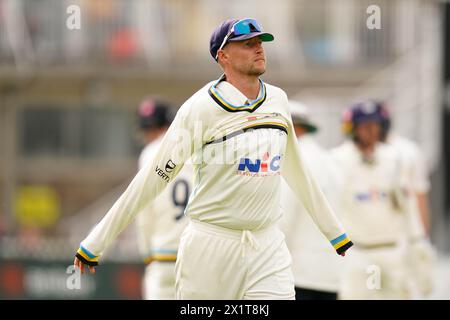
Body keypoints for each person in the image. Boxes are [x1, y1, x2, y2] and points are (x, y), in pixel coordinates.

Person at [73, 18, 353, 300]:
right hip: (210, 247)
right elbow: (151, 180)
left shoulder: (278, 101)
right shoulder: (199, 108)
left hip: (267, 245)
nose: (258, 49)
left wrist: (335, 233)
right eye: (247, 44)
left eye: (260, 42)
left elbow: (297, 170)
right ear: (223, 55)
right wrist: (96, 242)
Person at [333, 100, 414, 299]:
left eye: (375, 125)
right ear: (353, 129)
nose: (371, 131)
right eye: (365, 126)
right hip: (359, 252)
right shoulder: (337, 160)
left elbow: (406, 206)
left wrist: (417, 241)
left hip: (392, 249)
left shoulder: (394, 158)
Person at [279, 101, 344, 300]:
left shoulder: (291, 160)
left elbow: (284, 216)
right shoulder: (331, 160)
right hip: (331, 272)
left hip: (298, 272)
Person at [134, 98, 193, 299]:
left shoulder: (149, 153)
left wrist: (146, 254)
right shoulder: (196, 149)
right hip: (195, 253)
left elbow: (143, 210)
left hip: (162, 253)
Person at [377, 102, 435, 298]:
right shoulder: (354, 154)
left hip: (402, 238)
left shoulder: (407, 151)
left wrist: (422, 237)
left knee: (403, 290)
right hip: (371, 241)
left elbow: (419, 196)